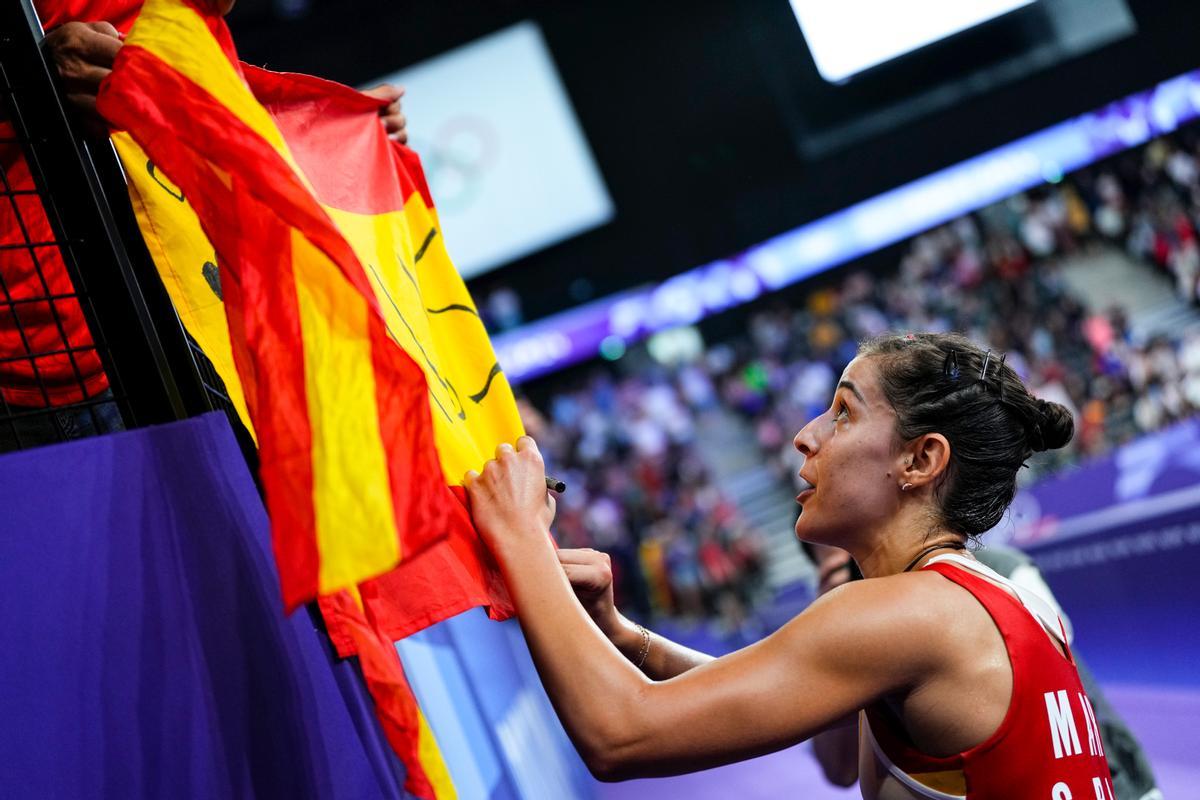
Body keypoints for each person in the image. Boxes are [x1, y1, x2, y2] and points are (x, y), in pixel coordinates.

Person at [465, 332, 1116, 798]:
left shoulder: (910, 615)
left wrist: (522, 535)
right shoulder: (976, 604)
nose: (805, 435)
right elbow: (754, 689)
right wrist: (621, 633)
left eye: (842, 413)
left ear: (920, 461)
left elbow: (621, 734)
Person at [0, 1, 407, 452]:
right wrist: (22, 81)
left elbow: (192, 49)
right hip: (62, 357)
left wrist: (323, 140)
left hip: (218, 304)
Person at [803, 540, 1161, 800]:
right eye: (834, 564)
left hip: (1115, 782)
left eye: (848, 555)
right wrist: (842, 637)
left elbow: (1059, 680)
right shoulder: (858, 632)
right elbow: (839, 770)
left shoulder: (1001, 571)